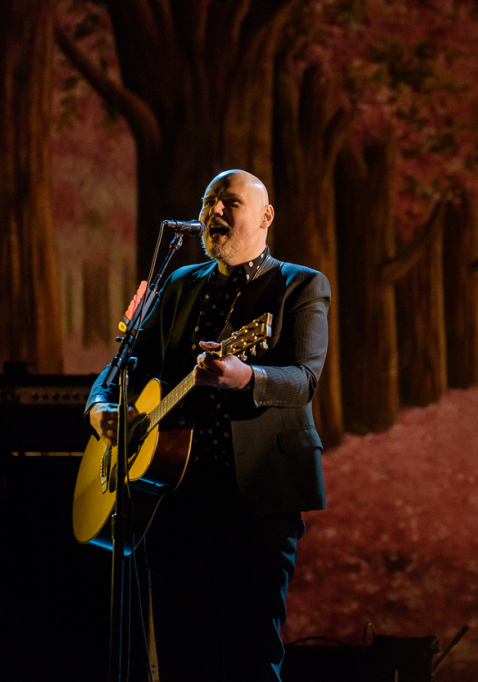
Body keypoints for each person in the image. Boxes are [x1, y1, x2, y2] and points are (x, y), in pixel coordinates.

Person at [85, 169, 330, 681]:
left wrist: (248, 375)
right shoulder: (177, 284)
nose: (215, 211)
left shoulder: (300, 285)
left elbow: (305, 379)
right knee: (178, 652)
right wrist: (101, 407)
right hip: (176, 497)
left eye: (230, 202)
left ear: (265, 217)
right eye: (209, 200)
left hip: (259, 500)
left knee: (249, 655)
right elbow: (125, 364)